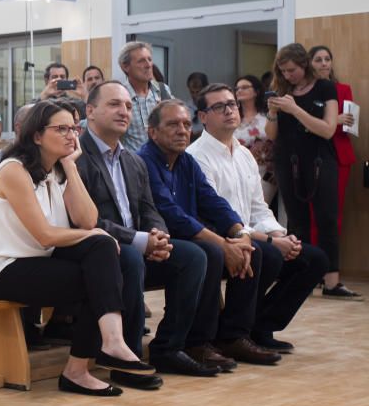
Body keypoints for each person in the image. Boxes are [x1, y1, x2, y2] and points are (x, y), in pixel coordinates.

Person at [0, 100, 155, 396]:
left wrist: (70, 166)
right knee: (96, 269)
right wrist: (96, 233)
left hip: (38, 259)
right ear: (36, 135)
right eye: (62, 129)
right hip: (2, 269)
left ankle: (111, 344)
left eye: (74, 128)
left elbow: (87, 219)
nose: (72, 135)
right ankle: (79, 370)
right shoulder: (13, 170)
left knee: (101, 251)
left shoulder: (57, 170)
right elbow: (45, 235)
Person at [76, 81, 218, 384]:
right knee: (129, 257)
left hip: (136, 246)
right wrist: (141, 241)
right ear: (90, 110)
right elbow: (86, 220)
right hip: (95, 252)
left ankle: (169, 347)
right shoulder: (77, 158)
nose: (124, 111)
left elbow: (148, 208)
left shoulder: (132, 160)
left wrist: (159, 236)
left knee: (193, 256)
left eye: (128, 106)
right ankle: (125, 359)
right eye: (114, 104)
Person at [189, 83, 329, 351]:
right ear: (203, 116)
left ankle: (259, 325)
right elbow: (214, 217)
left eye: (232, 104)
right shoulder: (196, 157)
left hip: (255, 234)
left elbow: (258, 207)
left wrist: (279, 234)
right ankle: (231, 333)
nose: (229, 110)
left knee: (314, 259)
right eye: (219, 107)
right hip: (222, 238)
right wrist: (269, 240)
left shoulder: (243, 154)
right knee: (267, 253)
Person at [140, 100, 281, 366]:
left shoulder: (186, 162)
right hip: (157, 243)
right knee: (210, 253)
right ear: (153, 132)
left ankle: (232, 336)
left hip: (187, 239)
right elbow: (170, 213)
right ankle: (195, 341)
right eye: (172, 124)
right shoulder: (144, 161)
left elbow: (212, 201)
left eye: (185, 124)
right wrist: (222, 243)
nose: (182, 130)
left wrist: (240, 233)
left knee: (257, 252)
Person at [269, 44, 359, 299]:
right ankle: (303, 277)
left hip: (320, 160)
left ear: (304, 65)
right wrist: (274, 113)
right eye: (283, 71)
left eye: (292, 70)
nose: (288, 76)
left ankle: (332, 282)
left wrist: (295, 109)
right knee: (297, 222)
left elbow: (328, 129)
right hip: (288, 161)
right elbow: (272, 135)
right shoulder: (283, 90)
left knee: (327, 219)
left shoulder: (324, 87)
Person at [308, 45, 357, 245]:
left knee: (333, 212)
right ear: (309, 63)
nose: (324, 63)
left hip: (338, 155)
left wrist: (335, 121)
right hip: (310, 155)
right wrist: (332, 120)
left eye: (327, 59)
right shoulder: (304, 91)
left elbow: (349, 123)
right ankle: (312, 262)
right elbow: (304, 124)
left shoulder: (343, 89)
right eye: (318, 59)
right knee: (310, 213)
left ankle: (329, 265)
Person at [118, 41, 171, 151]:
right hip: (133, 165)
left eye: (150, 59)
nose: (148, 65)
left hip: (162, 164)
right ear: (125, 67)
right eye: (141, 61)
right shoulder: (119, 95)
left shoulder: (162, 91)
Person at [233, 74, 276, 205]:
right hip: (238, 174)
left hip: (266, 174)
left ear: (256, 91)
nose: (239, 90)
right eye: (237, 88)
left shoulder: (268, 115)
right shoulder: (232, 117)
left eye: (245, 87)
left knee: (258, 212)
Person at [185, 71, 209, 139]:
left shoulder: (211, 107)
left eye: (198, 92)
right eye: (192, 92)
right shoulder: (185, 108)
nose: (195, 95)